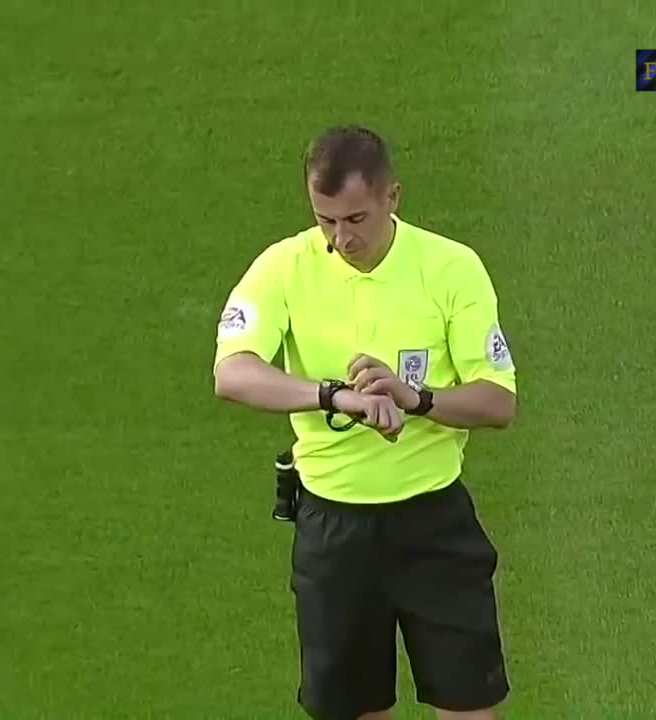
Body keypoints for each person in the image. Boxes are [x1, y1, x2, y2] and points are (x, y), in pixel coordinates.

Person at [212, 125, 519, 720]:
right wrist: (333, 397)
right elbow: (233, 373)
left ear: (391, 197)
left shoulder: (451, 267)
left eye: (355, 219)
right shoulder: (284, 267)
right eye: (325, 220)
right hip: (334, 533)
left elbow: (498, 401)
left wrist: (415, 398)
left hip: (434, 526)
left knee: (471, 708)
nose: (340, 239)